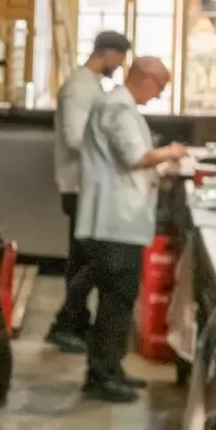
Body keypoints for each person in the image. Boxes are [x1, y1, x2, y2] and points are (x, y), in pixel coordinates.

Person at [73, 56, 188, 402]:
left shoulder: (123, 107)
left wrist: (162, 170)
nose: (159, 95)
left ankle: (111, 366)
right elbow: (134, 157)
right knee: (115, 300)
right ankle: (101, 375)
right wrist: (171, 152)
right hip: (113, 222)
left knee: (120, 299)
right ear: (146, 78)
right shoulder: (118, 107)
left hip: (121, 220)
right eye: (160, 87)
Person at [47, 30, 131, 354]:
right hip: (79, 184)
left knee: (85, 257)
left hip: (90, 184)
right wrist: (113, 151)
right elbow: (73, 136)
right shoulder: (79, 87)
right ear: (108, 53)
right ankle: (67, 323)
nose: (119, 66)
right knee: (85, 259)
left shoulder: (92, 85)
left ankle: (75, 321)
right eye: (119, 59)